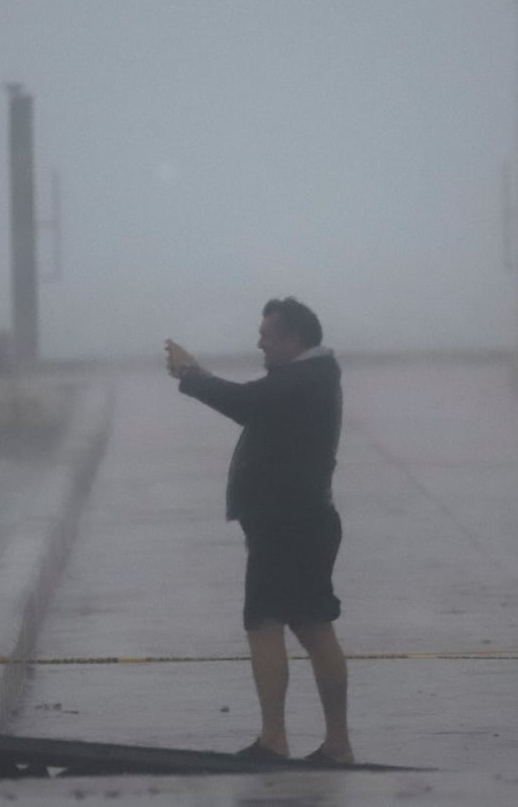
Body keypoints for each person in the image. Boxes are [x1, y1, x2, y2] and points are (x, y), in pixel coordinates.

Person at [164, 297, 353, 764]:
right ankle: (335, 743)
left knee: (267, 624)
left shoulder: (304, 379)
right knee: (312, 626)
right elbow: (255, 404)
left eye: (267, 335)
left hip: (289, 527)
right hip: (301, 523)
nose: (259, 343)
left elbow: (244, 403)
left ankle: (276, 739)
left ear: (293, 340)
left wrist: (192, 375)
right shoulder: (312, 376)